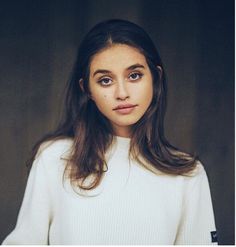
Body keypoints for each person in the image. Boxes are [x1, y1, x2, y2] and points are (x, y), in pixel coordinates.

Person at [2, 19, 217, 245]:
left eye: (134, 75)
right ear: (87, 90)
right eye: (105, 80)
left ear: (156, 77)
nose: (122, 93)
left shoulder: (188, 174)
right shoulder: (55, 158)